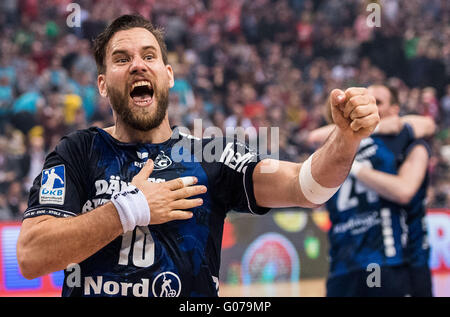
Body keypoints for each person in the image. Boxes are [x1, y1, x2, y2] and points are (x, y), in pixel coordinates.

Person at [16, 15, 379, 297]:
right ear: (102, 83)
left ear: (168, 75)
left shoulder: (210, 154)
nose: (137, 65)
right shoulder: (77, 152)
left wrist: (345, 138)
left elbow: (308, 187)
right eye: (121, 59)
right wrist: (129, 210)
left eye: (149, 56)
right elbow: (32, 256)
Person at [309, 84, 434, 297]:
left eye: (378, 102)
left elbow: (426, 124)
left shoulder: (402, 138)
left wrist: (355, 167)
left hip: (391, 257)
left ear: (395, 109)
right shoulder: (340, 144)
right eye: (367, 100)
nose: (370, 106)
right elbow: (313, 137)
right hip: (344, 260)